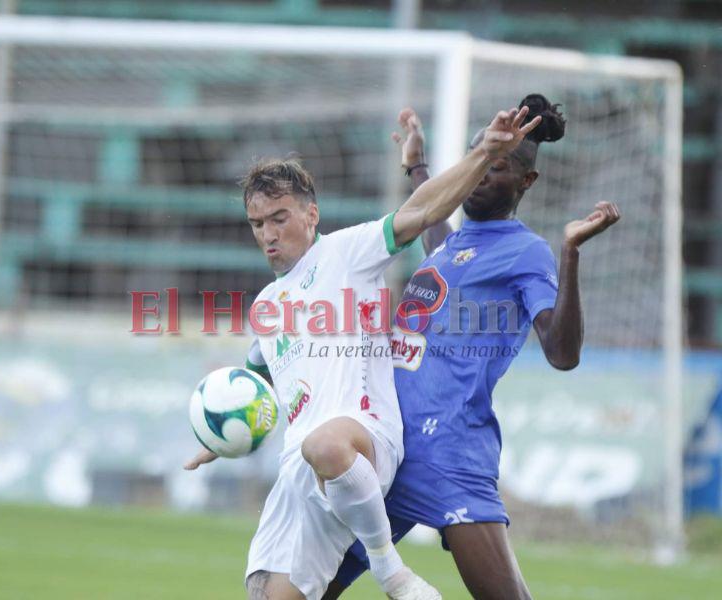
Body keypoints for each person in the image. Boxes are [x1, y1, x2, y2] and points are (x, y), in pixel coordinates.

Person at [184, 106, 542, 600]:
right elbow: (256, 378)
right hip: (303, 472)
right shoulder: (266, 306)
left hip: (364, 441)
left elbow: (423, 212)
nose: (268, 234)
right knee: (266, 593)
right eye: (257, 223)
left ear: (311, 215)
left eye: (279, 218)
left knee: (324, 445)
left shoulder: (348, 252)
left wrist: (483, 153)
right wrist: (219, 429)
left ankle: (391, 572)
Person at [325, 94, 621, 600]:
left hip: (450, 451)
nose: (481, 173)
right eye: (478, 160)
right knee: (306, 588)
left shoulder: (525, 251)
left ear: (526, 181)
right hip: (389, 449)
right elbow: (435, 232)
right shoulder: (452, 247)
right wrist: (417, 167)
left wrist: (570, 252)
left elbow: (562, 352)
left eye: (497, 166)